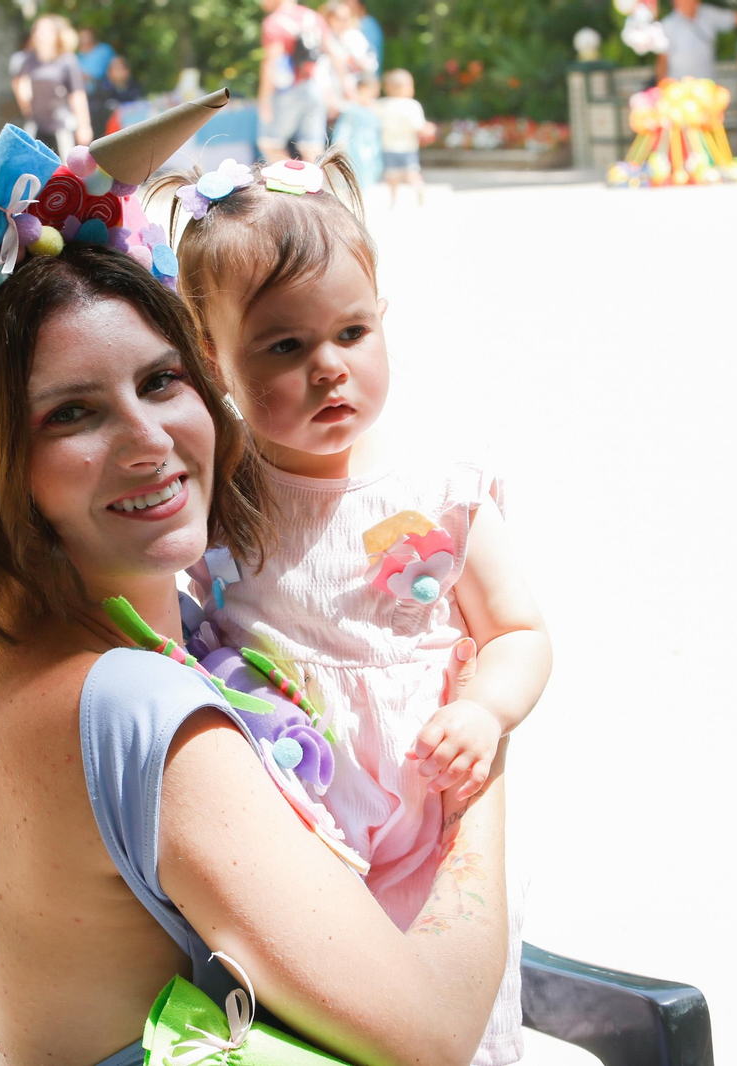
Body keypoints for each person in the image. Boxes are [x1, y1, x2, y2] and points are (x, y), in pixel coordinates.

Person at [0, 104, 514, 1066]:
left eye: (159, 383)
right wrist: (477, 758)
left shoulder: (31, 630)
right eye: (71, 414)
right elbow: (434, 1035)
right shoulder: (144, 711)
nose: (150, 443)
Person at [162, 147, 553, 1063]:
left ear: (385, 323)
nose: (329, 368)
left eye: (352, 334)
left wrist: (484, 709)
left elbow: (521, 632)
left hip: (430, 813)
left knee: (445, 1021)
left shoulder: (440, 492)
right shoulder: (223, 494)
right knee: (321, 1025)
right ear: (212, 359)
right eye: (284, 347)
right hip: (293, 838)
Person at [257, 0, 332, 163]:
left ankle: (289, 183)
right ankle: (315, 186)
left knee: (270, 143)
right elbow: (331, 53)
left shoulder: (275, 22)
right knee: (312, 147)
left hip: (287, 90)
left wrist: (264, 100)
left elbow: (271, 63)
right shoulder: (313, 17)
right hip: (315, 87)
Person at [11, 14, 93, 156]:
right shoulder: (27, 60)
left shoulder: (67, 61)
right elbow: (19, 83)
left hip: (61, 125)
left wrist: (84, 125)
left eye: (44, 30)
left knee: (65, 169)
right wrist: (25, 103)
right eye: (37, 30)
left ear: (56, 35)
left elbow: (77, 94)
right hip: (36, 123)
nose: (39, 34)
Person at [375, 68, 433, 207]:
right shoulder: (412, 105)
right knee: (412, 171)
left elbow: (375, 123)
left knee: (392, 175)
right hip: (408, 147)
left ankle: (393, 198)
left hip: (388, 146)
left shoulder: (382, 105)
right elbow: (419, 127)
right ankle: (418, 187)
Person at [657, 0, 737, 81]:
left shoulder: (709, 14)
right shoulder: (667, 24)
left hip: (707, 85)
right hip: (678, 88)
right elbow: (662, 61)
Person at [88, 54, 144, 142]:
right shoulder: (102, 88)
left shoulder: (135, 87)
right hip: (106, 135)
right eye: (113, 68)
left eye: (121, 68)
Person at [76, 27, 115, 93]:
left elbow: (115, 66)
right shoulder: (78, 55)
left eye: (86, 35)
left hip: (105, 87)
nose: (84, 38)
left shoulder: (104, 49)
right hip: (84, 91)